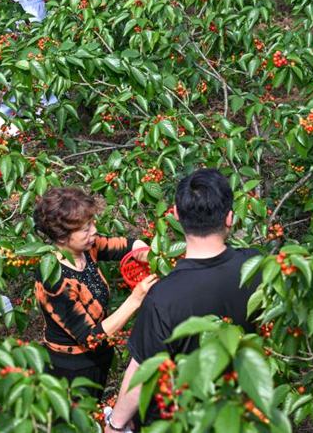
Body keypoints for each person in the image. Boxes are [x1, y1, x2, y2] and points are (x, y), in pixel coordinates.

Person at [104, 169, 262, 432]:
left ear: (176, 215)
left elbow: (143, 371)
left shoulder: (163, 297)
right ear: (230, 217)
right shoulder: (256, 266)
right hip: (238, 412)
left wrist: (116, 424)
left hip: (177, 421)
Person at [33, 187, 157, 400]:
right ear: (62, 237)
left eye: (91, 223)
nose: (94, 231)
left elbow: (127, 246)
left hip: (99, 359)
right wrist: (135, 299)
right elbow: (91, 338)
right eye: (85, 229)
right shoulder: (54, 280)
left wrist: (145, 253)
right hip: (72, 370)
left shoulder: (85, 249)